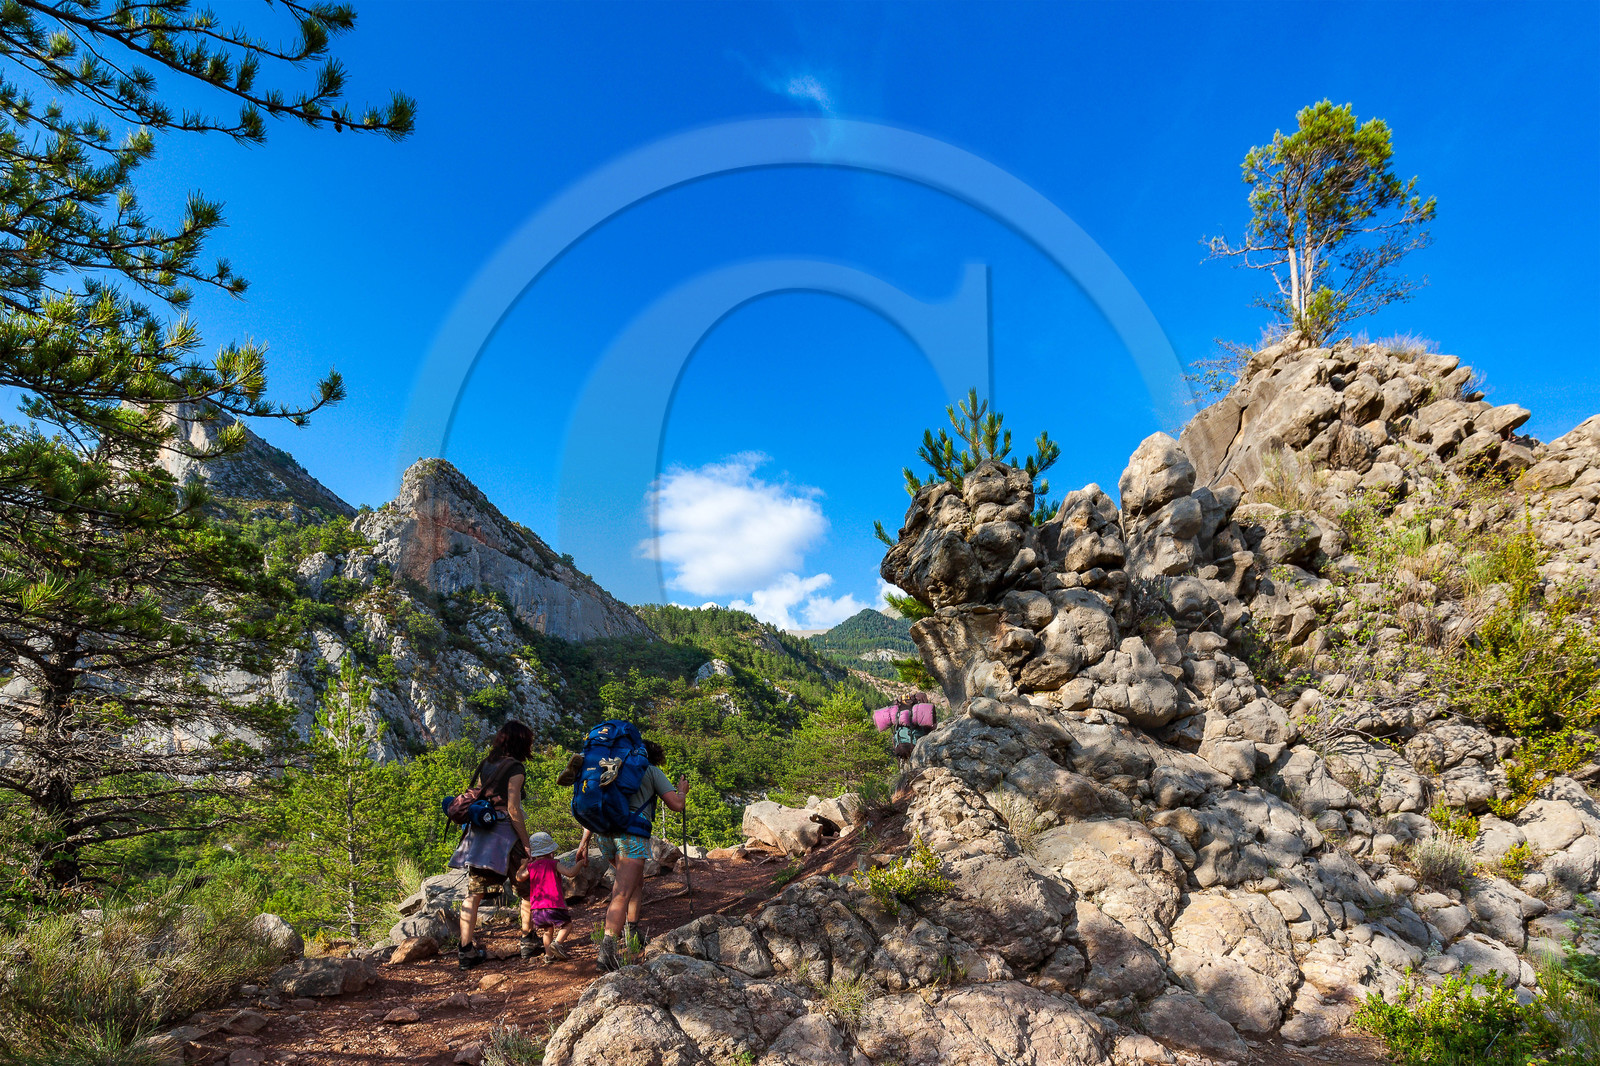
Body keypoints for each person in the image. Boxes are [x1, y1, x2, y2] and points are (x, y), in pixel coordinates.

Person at [578, 737, 686, 973]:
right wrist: (681, 790)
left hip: (604, 835)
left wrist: (583, 843)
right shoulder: (651, 771)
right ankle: (607, 952)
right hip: (632, 836)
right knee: (622, 892)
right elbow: (677, 805)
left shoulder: (611, 766)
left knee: (634, 883)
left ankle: (633, 931)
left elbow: (597, 803)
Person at [448, 721, 534, 971]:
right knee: (525, 887)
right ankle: (528, 940)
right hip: (506, 833)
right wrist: (526, 843)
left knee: (473, 893)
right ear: (521, 742)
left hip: (482, 835)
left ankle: (466, 950)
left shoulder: (487, 763)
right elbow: (513, 808)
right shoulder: (516, 768)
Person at [521, 831, 585, 961]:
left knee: (547, 930)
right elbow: (570, 873)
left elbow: (519, 877)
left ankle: (549, 956)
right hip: (554, 904)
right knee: (567, 925)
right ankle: (558, 943)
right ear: (550, 851)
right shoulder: (553, 863)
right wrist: (580, 863)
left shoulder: (531, 867)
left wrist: (523, 864)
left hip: (536, 908)